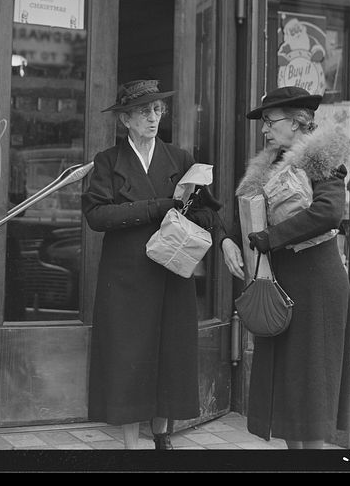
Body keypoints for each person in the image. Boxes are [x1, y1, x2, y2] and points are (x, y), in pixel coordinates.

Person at [82, 79, 221, 450]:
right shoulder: (108, 161)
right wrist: (158, 207)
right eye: (144, 111)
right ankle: (131, 445)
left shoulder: (181, 159)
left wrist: (190, 218)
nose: (153, 117)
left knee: (170, 354)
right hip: (125, 278)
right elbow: (96, 215)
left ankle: (162, 436)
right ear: (125, 119)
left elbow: (212, 213)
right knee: (128, 356)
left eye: (158, 110)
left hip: (172, 274)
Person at [219, 85, 350, 449]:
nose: (264, 129)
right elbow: (248, 216)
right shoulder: (272, 163)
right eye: (263, 122)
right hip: (281, 286)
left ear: (297, 122)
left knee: (310, 393)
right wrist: (228, 240)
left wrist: (273, 237)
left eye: (269, 121)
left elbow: (328, 212)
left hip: (316, 289)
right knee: (288, 395)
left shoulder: (320, 158)